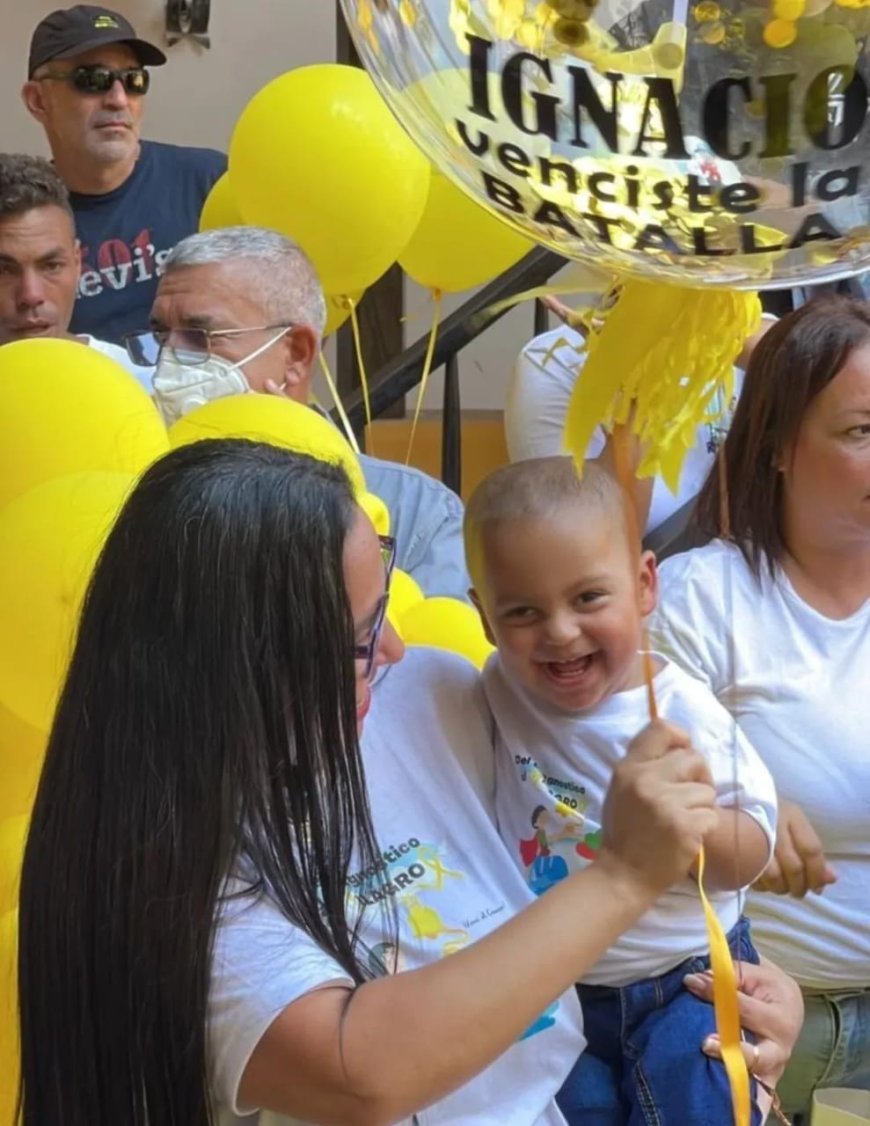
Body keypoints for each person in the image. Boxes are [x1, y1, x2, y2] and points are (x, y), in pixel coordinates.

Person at [17, 439, 802, 1126]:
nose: (395, 647)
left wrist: (749, 990)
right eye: (361, 637)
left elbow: (582, 784)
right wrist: (625, 875)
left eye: (385, 606)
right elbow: (362, 1073)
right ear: (242, 670)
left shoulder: (429, 696)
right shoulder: (170, 871)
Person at [464, 457, 778, 1125]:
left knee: (700, 1107)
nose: (559, 631)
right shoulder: (491, 694)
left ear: (643, 585)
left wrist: (689, 831)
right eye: (522, 611)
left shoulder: (681, 714)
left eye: (587, 598)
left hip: (685, 979)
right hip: (557, 986)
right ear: (484, 618)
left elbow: (754, 847)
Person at [649, 296, 870, 1122]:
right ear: (778, 447)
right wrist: (744, 809)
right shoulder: (702, 601)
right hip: (753, 1021)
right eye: (861, 431)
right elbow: (616, 797)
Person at [123, 224, 470, 600]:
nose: (168, 361)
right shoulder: (133, 493)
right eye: (161, 336)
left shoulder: (417, 513)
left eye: (199, 336)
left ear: (296, 354)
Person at [21, 5, 226, 344]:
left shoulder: (209, 181)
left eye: (134, 80)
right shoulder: (25, 222)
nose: (118, 99)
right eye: (93, 79)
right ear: (38, 100)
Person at [506, 297, 776, 548]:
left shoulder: (753, 329)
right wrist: (637, 379)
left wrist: (726, 336)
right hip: (658, 579)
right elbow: (596, 548)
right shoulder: (554, 361)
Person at [0, 151, 149, 387]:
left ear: (77, 262)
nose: (31, 295)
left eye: (51, 266)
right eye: (4, 271)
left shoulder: (136, 384)